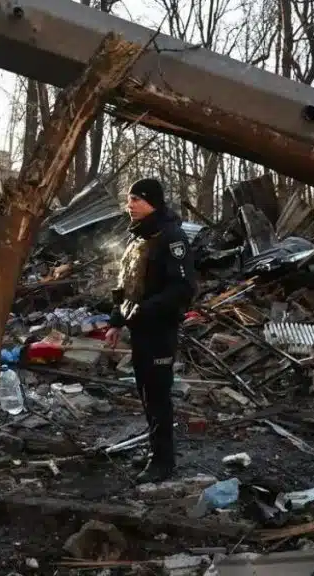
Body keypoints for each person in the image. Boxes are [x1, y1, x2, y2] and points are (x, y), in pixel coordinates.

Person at [105, 178, 197, 483]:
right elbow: (126, 285)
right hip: (139, 329)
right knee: (146, 393)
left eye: (136, 199)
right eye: (129, 199)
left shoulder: (171, 237)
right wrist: (116, 321)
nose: (129, 205)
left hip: (160, 329)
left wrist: (145, 310)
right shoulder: (138, 236)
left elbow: (183, 288)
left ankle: (163, 462)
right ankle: (154, 452)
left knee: (158, 395)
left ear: (152, 203)